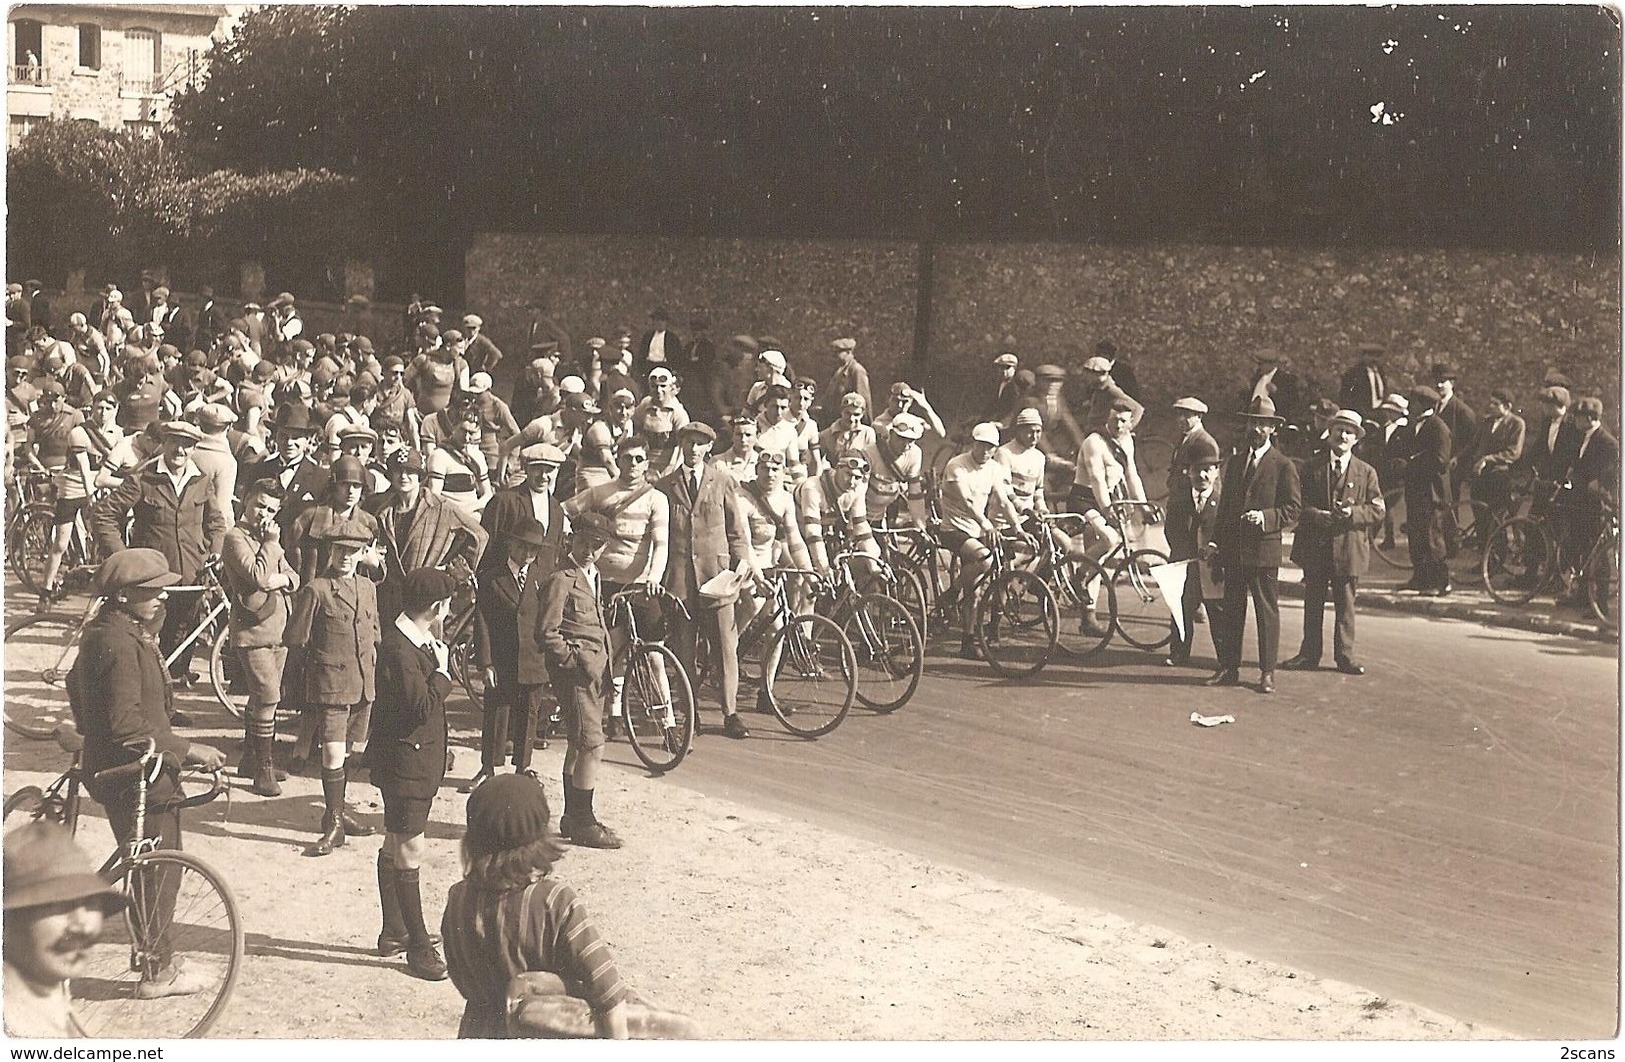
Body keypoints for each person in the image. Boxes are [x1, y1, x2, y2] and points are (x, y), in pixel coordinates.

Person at [65, 549, 228, 999]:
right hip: (139, 776)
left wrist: (86, 733)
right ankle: (158, 971)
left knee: (143, 867)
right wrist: (189, 749)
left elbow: (74, 686)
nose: (162, 598)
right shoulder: (119, 643)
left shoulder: (108, 632)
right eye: (151, 591)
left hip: (119, 767)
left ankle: (157, 958)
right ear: (122, 596)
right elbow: (126, 726)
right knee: (156, 873)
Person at [441, 774, 630, 1038]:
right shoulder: (556, 902)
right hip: (548, 1031)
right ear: (540, 837)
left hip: (480, 1030)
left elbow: (460, 977)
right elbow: (609, 993)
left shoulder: (458, 899)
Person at [90, 420, 229, 691]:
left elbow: (215, 522)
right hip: (152, 581)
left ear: (194, 447)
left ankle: (167, 702)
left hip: (192, 576)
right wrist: (125, 559)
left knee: (180, 641)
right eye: (174, 441)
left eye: (187, 444)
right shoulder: (143, 478)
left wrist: (215, 551)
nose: (180, 449)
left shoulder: (201, 480)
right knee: (146, 644)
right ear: (164, 442)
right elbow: (103, 515)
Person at [371, 566, 459, 981]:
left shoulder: (412, 641)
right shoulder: (401, 649)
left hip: (410, 762)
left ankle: (394, 931)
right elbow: (418, 708)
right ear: (437, 607)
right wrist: (442, 675)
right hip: (405, 767)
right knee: (409, 851)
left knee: (394, 844)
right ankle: (417, 947)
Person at [284, 526, 382, 856]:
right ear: (330, 551)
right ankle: (336, 824)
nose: (345, 557)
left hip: (362, 682)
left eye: (352, 551)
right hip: (330, 685)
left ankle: (335, 812)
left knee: (350, 751)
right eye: (339, 550)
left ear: (363, 553)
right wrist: (300, 678)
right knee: (332, 753)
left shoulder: (368, 588)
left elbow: (375, 633)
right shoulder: (317, 590)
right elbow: (295, 637)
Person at [658, 422, 754, 740]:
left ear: (709, 448)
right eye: (689, 442)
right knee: (684, 649)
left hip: (717, 577)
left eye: (700, 444)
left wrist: (742, 561)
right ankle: (691, 714)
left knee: (726, 648)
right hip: (681, 581)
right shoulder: (666, 485)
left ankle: (730, 713)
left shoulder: (722, 479)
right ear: (681, 445)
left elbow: (736, 528)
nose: (694, 449)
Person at [536, 511, 624, 848]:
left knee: (578, 742)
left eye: (598, 545)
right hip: (576, 675)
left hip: (594, 672)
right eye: (585, 542)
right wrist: (573, 661)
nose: (590, 550)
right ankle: (585, 822)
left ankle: (573, 816)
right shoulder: (563, 579)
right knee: (592, 744)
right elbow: (546, 631)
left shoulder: (592, 574)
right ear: (572, 538)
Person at [1206, 395, 1301, 694]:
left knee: (1266, 612)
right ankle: (1229, 667)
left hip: (1263, 550)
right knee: (1233, 610)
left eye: (1262, 424)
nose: (1256, 428)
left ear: (1273, 429)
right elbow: (1225, 508)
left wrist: (1266, 517)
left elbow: (1293, 509)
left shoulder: (1283, 465)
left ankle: (1266, 672)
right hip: (1234, 549)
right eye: (1252, 422)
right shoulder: (1235, 462)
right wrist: (1214, 541)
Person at [1283, 410, 1384, 676]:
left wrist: (1353, 514)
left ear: (1356, 439)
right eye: (1339, 429)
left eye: (1350, 432)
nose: (1343, 436)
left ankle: (1345, 656)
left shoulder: (1366, 472)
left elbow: (1378, 509)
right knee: (1312, 602)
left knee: (1346, 605)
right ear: (1330, 434)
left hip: (1348, 547)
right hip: (1316, 545)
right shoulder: (1311, 467)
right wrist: (1316, 515)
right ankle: (1309, 654)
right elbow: (1295, 505)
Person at [3, 821, 128, 1037]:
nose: (82, 925)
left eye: (91, 903)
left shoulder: (49, 984)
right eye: (56, 905)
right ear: (9, 921)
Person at [220, 480, 300, 796]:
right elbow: (257, 577)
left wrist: (281, 578)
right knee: (268, 697)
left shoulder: (268, 539)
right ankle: (263, 771)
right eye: (260, 506)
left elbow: (291, 575)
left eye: (271, 509)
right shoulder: (235, 538)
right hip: (252, 631)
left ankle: (251, 760)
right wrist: (271, 547)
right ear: (246, 501)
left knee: (262, 696)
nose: (264, 513)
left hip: (277, 629)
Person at [937, 423, 1025, 659]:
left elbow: (1004, 501)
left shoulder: (994, 468)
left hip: (975, 531)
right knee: (984, 559)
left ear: (996, 449)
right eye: (981, 445)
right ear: (973, 444)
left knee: (975, 590)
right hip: (952, 529)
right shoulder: (957, 465)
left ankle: (967, 641)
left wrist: (1018, 527)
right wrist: (986, 524)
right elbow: (966, 501)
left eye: (990, 447)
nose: (985, 451)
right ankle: (952, 592)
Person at [1162, 436, 1226, 668]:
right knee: (1181, 608)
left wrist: (1216, 548)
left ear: (1216, 472)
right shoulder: (1179, 501)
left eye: (1208, 470)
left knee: (1218, 613)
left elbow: (1227, 532)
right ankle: (1179, 651)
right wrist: (1184, 554)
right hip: (1185, 563)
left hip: (1213, 567)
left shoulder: (1222, 502)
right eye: (1197, 470)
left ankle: (1225, 657)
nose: (1202, 476)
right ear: (1188, 472)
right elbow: (1171, 531)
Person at [1395, 386, 1454, 595]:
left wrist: (1410, 466)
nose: (1410, 405)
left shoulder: (1437, 426)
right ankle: (1420, 578)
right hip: (1416, 490)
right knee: (1416, 535)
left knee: (1433, 537)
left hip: (1432, 492)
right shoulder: (1414, 426)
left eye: (1413, 401)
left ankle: (1441, 581)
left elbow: (1441, 461)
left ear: (1423, 404)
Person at [1469, 389, 1526, 528]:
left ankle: (1499, 548)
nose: (1491, 406)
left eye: (1496, 404)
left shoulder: (1516, 423)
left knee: (1496, 518)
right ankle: (1483, 546)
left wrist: (1488, 459)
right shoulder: (1487, 422)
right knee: (1479, 513)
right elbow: (1473, 445)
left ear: (1507, 407)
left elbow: (1513, 453)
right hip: (1480, 475)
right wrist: (1457, 458)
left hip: (1499, 476)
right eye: (1491, 402)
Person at [1166, 397, 1218, 501]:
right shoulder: (1184, 437)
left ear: (1199, 416)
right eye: (1179, 414)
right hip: (1177, 500)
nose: (1181, 419)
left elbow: (1209, 480)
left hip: (1191, 502)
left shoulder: (1205, 442)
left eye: (1186, 415)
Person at [1337, 342, 1388, 418]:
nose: (1374, 359)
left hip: (1379, 415)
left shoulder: (1381, 373)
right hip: (1361, 415)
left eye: (1377, 356)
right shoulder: (1353, 374)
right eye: (1370, 356)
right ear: (1363, 356)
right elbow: (1346, 398)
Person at [981, 352, 1024, 425]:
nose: (1004, 371)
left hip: (1009, 423)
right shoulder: (1000, 383)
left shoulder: (1015, 386)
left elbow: (1013, 409)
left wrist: (1002, 423)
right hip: (997, 419)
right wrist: (982, 417)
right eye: (1001, 367)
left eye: (1007, 367)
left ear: (1015, 368)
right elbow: (994, 404)